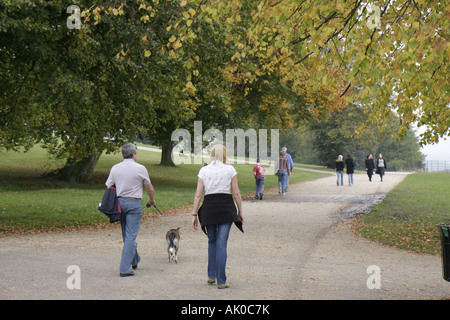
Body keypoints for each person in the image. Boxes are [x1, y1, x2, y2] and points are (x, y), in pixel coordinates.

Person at [192, 144, 244, 289]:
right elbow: (236, 193)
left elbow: (198, 194)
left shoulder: (204, 170)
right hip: (226, 207)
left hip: (209, 207)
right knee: (222, 243)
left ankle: (211, 275)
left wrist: (194, 213)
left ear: (212, 154)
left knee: (212, 241)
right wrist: (240, 211)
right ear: (225, 155)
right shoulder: (230, 169)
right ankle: (221, 280)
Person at [105, 143, 156, 277]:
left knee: (126, 235)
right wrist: (152, 199)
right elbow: (149, 187)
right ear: (134, 155)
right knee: (131, 236)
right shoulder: (140, 168)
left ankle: (134, 259)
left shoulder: (115, 168)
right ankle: (124, 269)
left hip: (119, 203)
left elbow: (109, 185)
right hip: (134, 203)